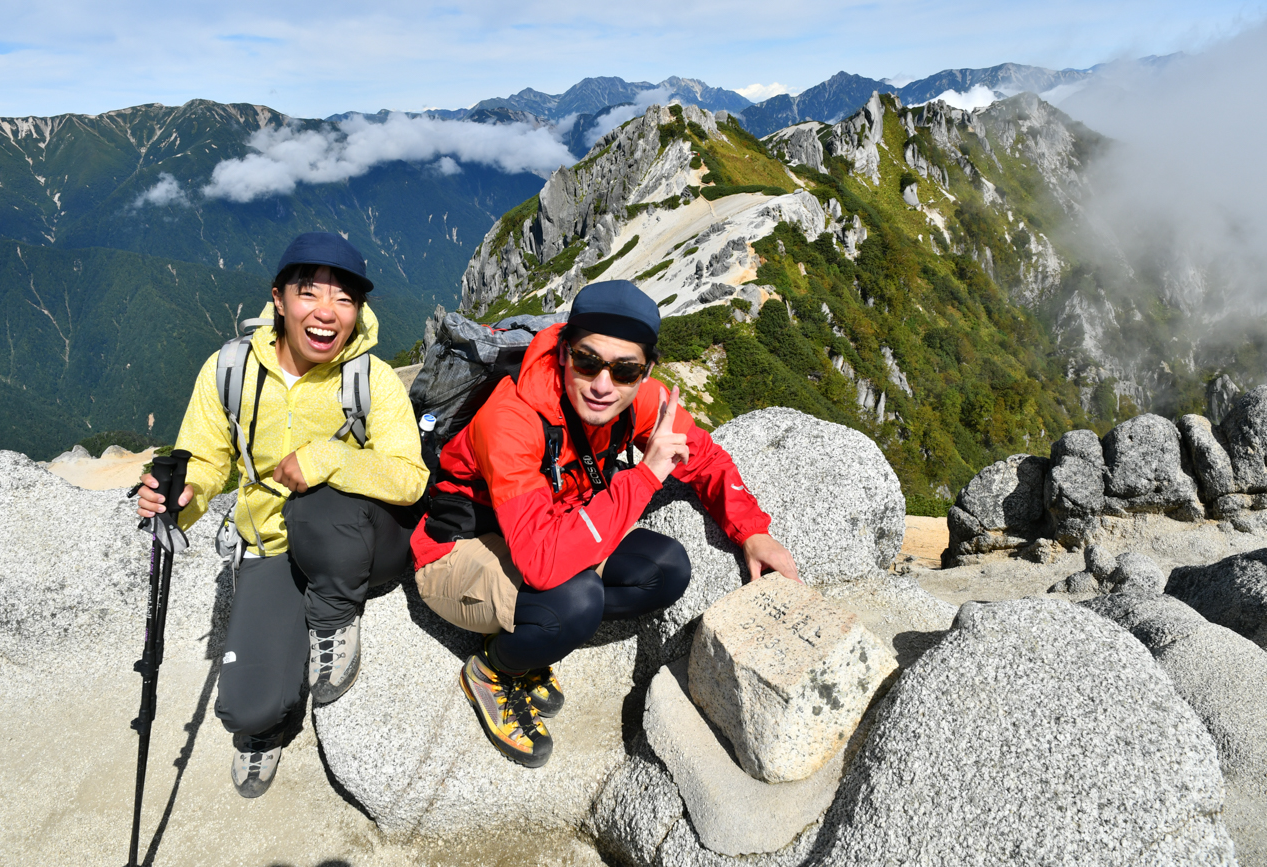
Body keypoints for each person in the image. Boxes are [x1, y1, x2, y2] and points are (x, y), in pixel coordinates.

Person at [409, 279, 798, 768]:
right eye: (587, 361)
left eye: (625, 370)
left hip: (546, 528)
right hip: (457, 553)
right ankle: (492, 671)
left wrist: (752, 530)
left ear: (645, 371)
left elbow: (705, 458)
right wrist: (647, 474)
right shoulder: (512, 419)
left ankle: (527, 635)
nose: (602, 385)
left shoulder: (638, 400)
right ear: (564, 353)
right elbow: (544, 563)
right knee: (573, 601)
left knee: (664, 568)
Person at [136, 232, 428, 797]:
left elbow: (410, 478)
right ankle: (270, 721)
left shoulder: (372, 380)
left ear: (359, 311)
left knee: (315, 504)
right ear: (278, 298)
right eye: (309, 293)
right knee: (247, 710)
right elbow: (206, 459)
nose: (326, 312)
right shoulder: (230, 371)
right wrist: (181, 499)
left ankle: (335, 615)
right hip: (272, 548)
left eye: (344, 299)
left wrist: (327, 457)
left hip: (361, 540)